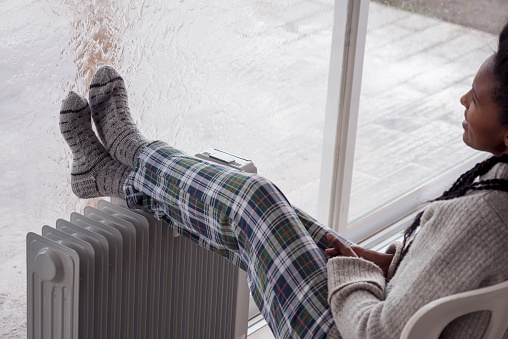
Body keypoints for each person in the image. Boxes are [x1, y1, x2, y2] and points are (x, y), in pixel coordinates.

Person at [59, 23, 508, 339]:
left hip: (349, 329)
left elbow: (379, 332)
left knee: (254, 201)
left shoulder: (489, 217)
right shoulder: (498, 186)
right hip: (387, 306)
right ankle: (115, 174)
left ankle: (131, 155)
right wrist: (369, 260)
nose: (463, 98)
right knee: (280, 217)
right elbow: (438, 275)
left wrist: (349, 271)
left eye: (478, 99)